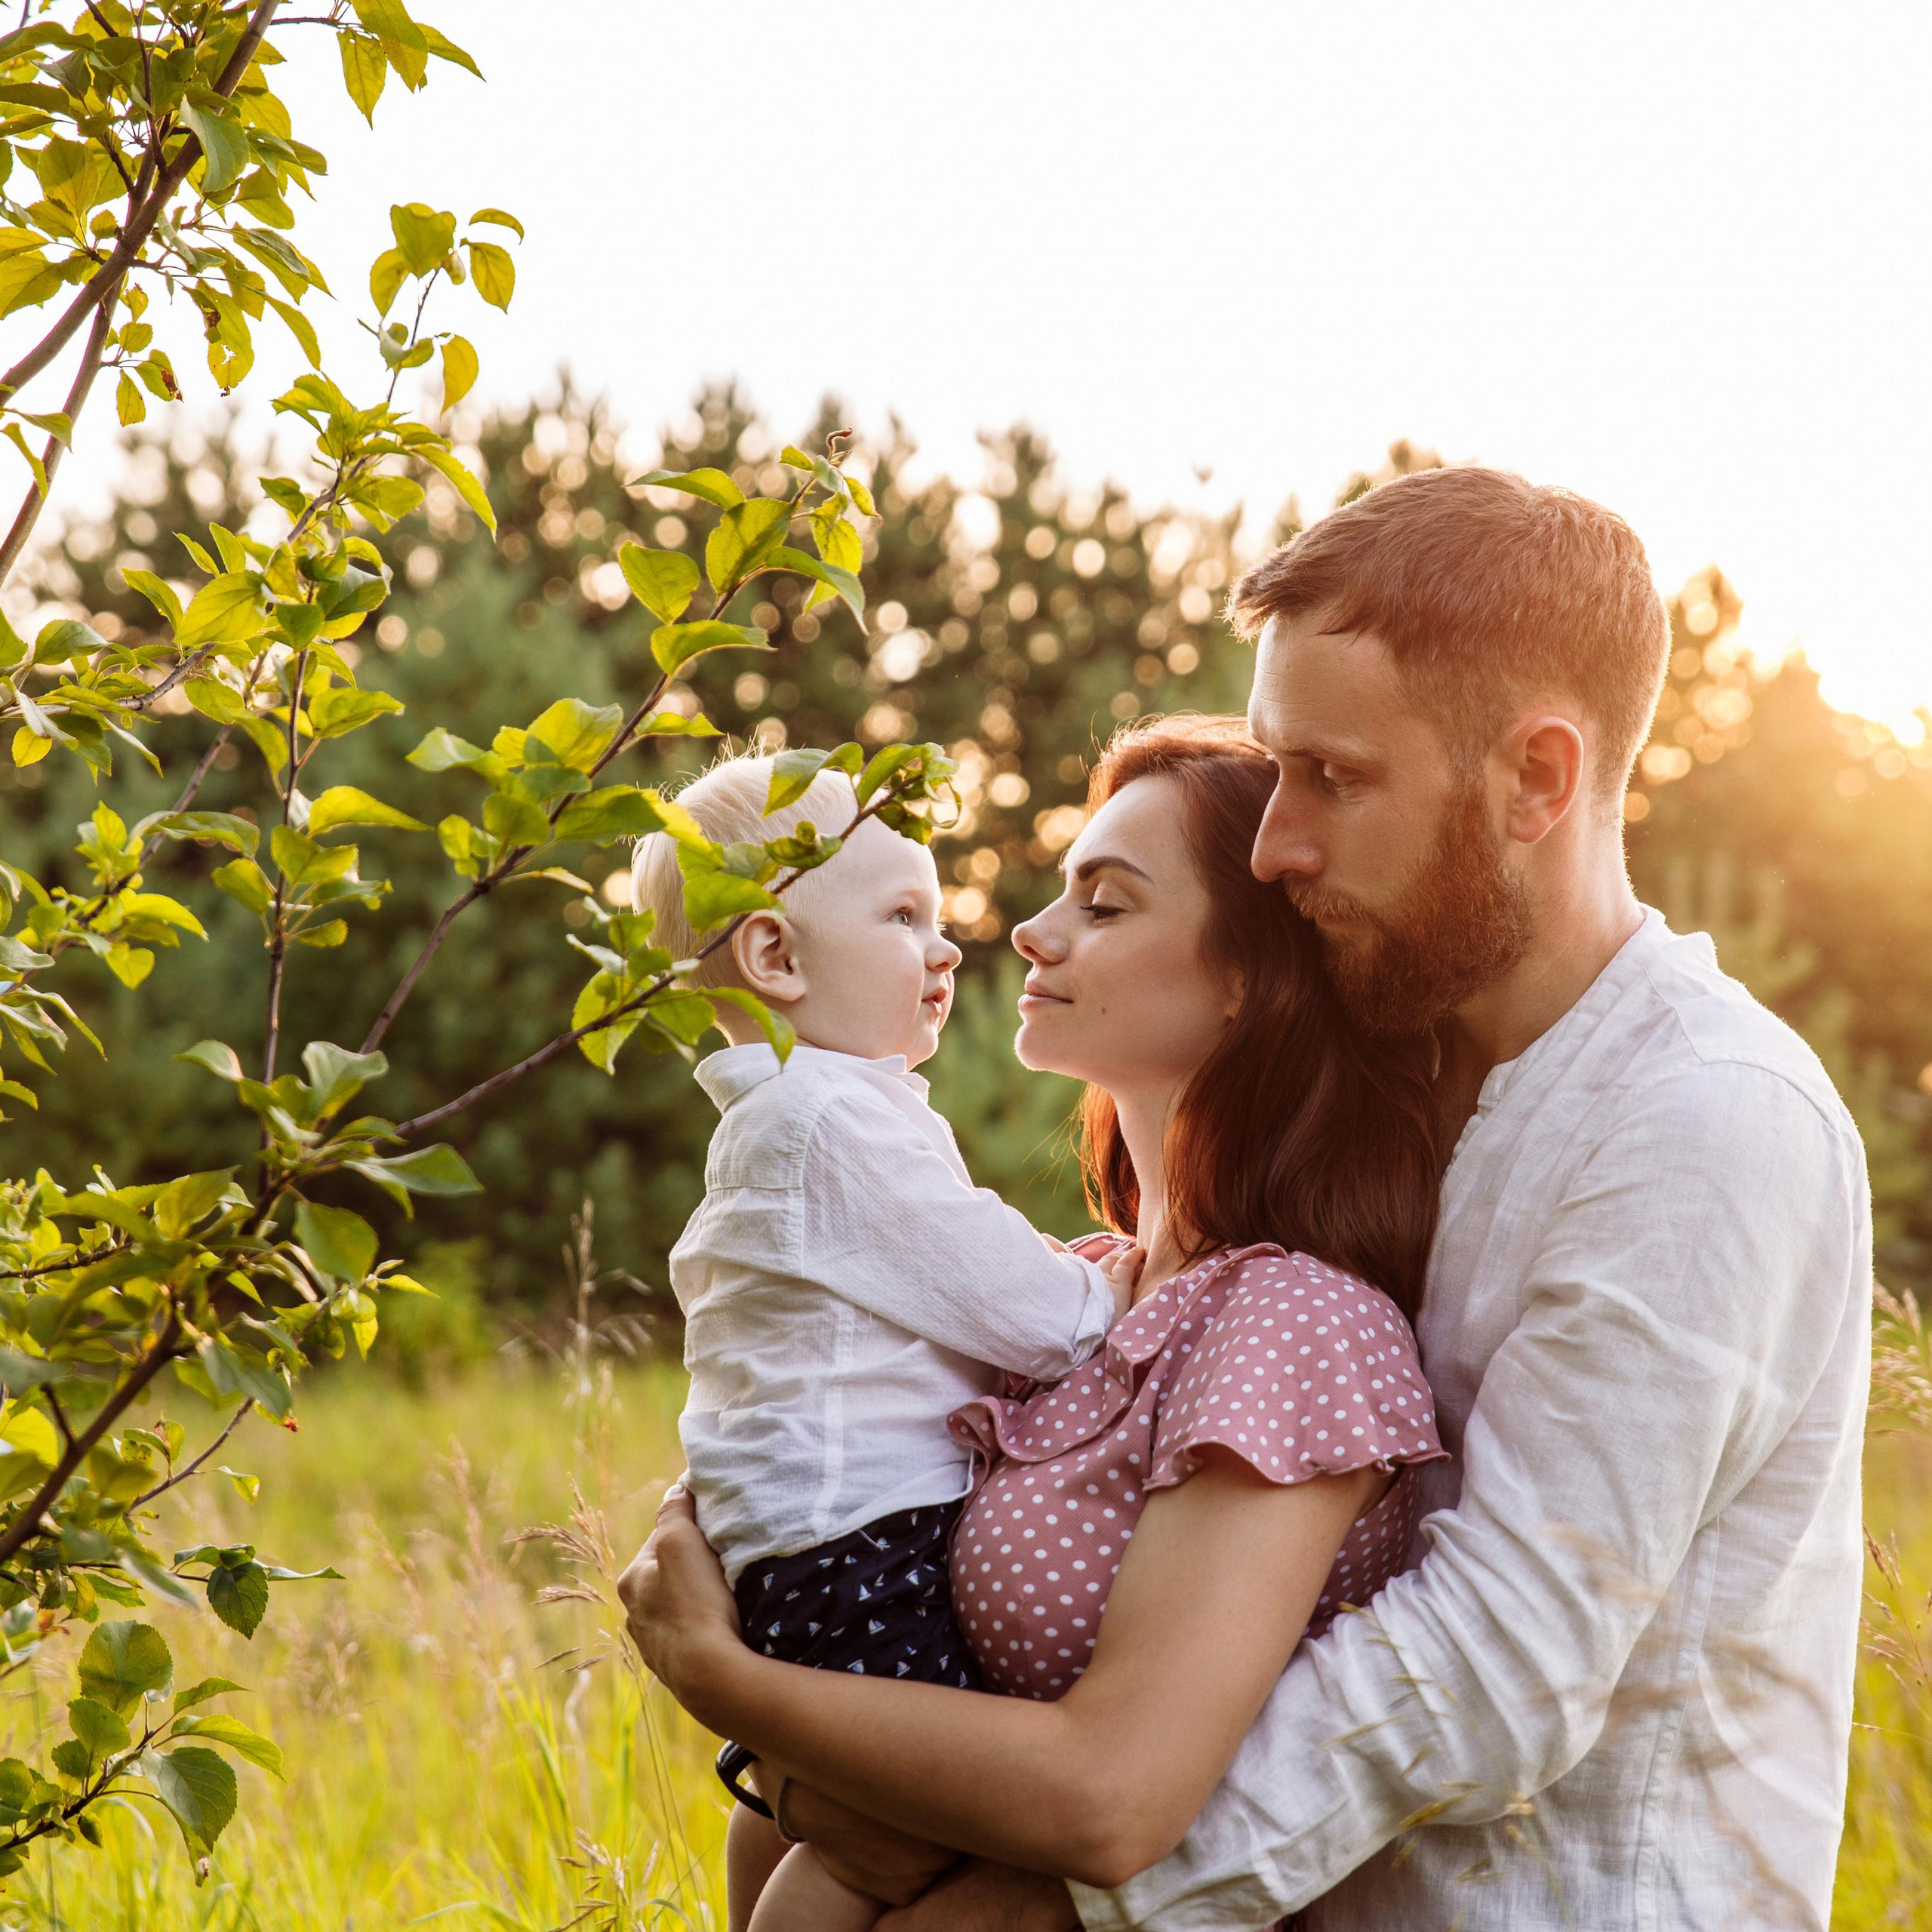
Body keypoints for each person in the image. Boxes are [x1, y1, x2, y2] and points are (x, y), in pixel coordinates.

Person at [626, 466, 1872, 1932]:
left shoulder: (1701, 1114)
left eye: (1331, 776)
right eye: (1274, 769)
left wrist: (1050, 1886)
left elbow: (1495, 1661)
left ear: (1535, 777)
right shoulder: (1420, 1092)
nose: (1277, 844)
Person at [624, 718, 1448, 1918]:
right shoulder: (1075, 1291)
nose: (1017, 930)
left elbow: (1108, 1807)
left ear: (1244, 980)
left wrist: (718, 1678)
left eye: (1106, 905)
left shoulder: (1289, 1321)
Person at [630, 751, 1140, 1932]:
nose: (950, 948)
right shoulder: (831, 1123)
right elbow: (1029, 1312)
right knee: (896, 1831)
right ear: (775, 957)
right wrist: (1116, 1288)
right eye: (905, 916)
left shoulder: (790, 1123)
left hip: (805, 1539)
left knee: (846, 1793)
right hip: (861, 1538)